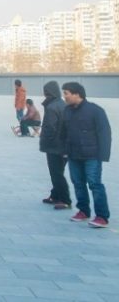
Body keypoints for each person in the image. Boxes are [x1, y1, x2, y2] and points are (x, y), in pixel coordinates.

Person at [61, 82, 111, 227]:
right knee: (78, 183)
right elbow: (64, 133)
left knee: (94, 184)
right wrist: (64, 151)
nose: (64, 97)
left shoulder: (95, 110)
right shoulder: (67, 111)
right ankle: (83, 211)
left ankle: (102, 216)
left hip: (92, 156)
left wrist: (103, 155)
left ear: (77, 94)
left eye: (66, 93)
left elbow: (105, 133)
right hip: (73, 155)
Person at [40, 81, 71, 210]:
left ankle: (65, 199)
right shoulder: (62, 104)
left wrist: (44, 141)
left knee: (56, 173)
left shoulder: (52, 107)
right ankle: (55, 195)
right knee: (58, 172)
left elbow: (50, 128)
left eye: (45, 92)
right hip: (63, 145)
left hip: (55, 146)